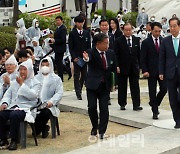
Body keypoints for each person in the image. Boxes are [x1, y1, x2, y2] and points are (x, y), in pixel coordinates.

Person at [0, 59, 40, 150]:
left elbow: (33, 96)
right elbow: (7, 95)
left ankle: (14, 140)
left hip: (26, 108)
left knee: (14, 115)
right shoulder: (15, 83)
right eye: (20, 69)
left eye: (24, 69)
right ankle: (3, 138)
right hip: (14, 107)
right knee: (1, 114)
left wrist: (22, 85)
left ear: (29, 70)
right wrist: (4, 103)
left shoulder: (35, 83)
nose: (22, 72)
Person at [83, 33, 116, 139]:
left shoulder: (110, 53)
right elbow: (88, 59)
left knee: (104, 109)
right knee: (92, 107)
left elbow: (113, 69)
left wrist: (114, 83)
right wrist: (86, 59)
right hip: (92, 84)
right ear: (98, 44)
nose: (107, 45)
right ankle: (94, 126)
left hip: (104, 85)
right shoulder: (90, 52)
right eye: (105, 43)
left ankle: (102, 131)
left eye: (108, 43)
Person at [141, 22, 167, 119]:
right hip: (150, 71)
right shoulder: (146, 42)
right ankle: (155, 111)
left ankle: (154, 102)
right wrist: (144, 70)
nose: (157, 33)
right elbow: (142, 58)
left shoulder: (163, 41)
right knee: (152, 91)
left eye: (159, 31)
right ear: (151, 30)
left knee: (164, 89)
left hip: (162, 70)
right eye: (155, 31)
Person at [114, 23, 143, 111]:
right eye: (126, 30)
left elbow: (139, 54)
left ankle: (136, 104)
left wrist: (140, 66)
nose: (128, 32)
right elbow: (116, 54)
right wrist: (117, 66)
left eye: (130, 30)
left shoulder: (136, 40)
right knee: (122, 86)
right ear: (123, 30)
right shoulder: (118, 41)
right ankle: (122, 103)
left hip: (134, 66)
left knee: (135, 86)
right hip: (123, 66)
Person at [159, 17, 180, 128]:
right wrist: (161, 71)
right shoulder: (165, 41)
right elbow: (162, 58)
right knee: (172, 98)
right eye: (170, 26)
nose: (172, 28)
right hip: (170, 73)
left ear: (179, 26)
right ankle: (177, 120)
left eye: (174, 26)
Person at [34, 57, 63, 138]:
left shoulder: (56, 79)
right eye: (43, 65)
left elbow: (59, 92)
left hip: (49, 104)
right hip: (36, 103)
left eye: (47, 65)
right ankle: (44, 128)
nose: (45, 67)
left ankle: (38, 129)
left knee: (45, 112)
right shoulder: (36, 78)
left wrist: (52, 101)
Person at [68, 15, 91, 100]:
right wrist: (74, 57)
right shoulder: (72, 33)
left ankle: (80, 88)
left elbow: (89, 45)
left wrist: (88, 55)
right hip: (76, 57)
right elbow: (71, 47)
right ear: (76, 23)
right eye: (78, 22)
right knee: (77, 75)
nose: (80, 24)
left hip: (84, 57)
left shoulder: (86, 33)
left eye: (82, 22)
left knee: (84, 74)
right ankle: (78, 92)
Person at [51, 16, 67, 82]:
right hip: (57, 48)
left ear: (61, 21)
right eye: (56, 20)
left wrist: (55, 40)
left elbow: (63, 39)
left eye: (58, 20)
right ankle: (66, 71)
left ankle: (61, 77)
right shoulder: (57, 28)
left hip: (61, 48)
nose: (57, 22)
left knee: (59, 62)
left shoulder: (63, 28)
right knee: (58, 62)